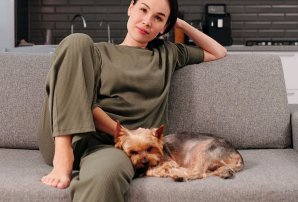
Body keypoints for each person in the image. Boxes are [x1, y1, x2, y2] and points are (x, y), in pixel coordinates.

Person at [36, 0, 227, 201]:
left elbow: (219, 52)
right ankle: (63, 155)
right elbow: (80, 103)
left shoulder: (168, 53)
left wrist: (181, 24)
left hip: (115, 148)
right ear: (130, 8)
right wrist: (126, 133)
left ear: (165, 27)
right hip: (64, 135)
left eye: (158, 18)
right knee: (77, 41)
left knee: (105, 176)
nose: (147, 21)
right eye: (143, 9)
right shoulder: (95, 52)